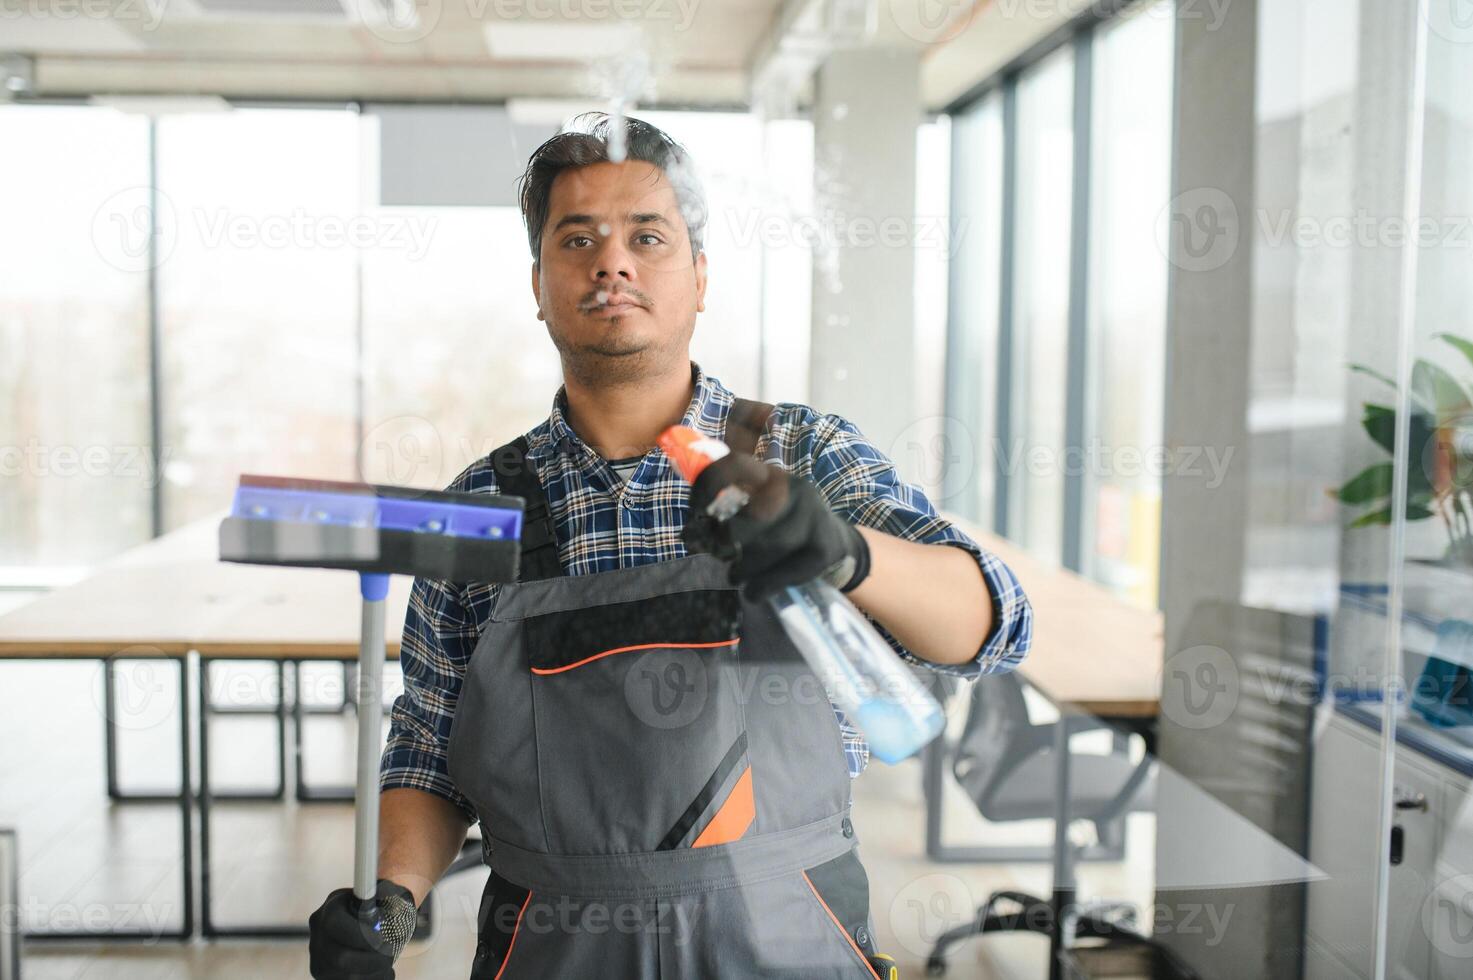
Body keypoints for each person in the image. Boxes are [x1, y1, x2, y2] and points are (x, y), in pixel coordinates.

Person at [308, 113, 1032, 979]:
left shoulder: (803, 456)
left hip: (789, 941)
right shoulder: (480, 509)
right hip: (554, 946)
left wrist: (845, 551)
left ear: (697, 277)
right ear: (537, 285)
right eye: (576, 239)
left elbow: (994, 625)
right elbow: (430, 749)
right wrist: (391, 898)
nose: (611, 261)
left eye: (646, 237)